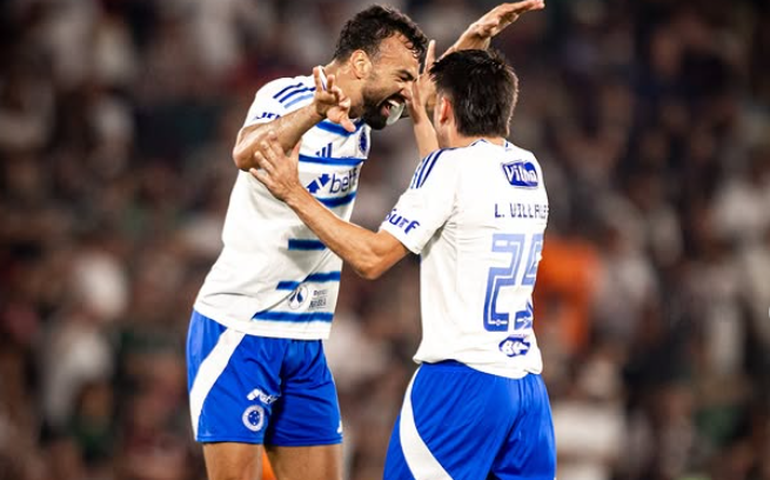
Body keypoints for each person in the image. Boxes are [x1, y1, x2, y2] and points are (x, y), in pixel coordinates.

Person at [186, 3, 545, 480]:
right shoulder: (287, 95)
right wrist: (311, 114)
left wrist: (471, 44)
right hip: (239, 326)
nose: (407, 88)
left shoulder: (368, 115)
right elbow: (246, 151)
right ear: (360, 64)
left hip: (307, 337)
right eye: (400, 74)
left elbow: (439, 104)